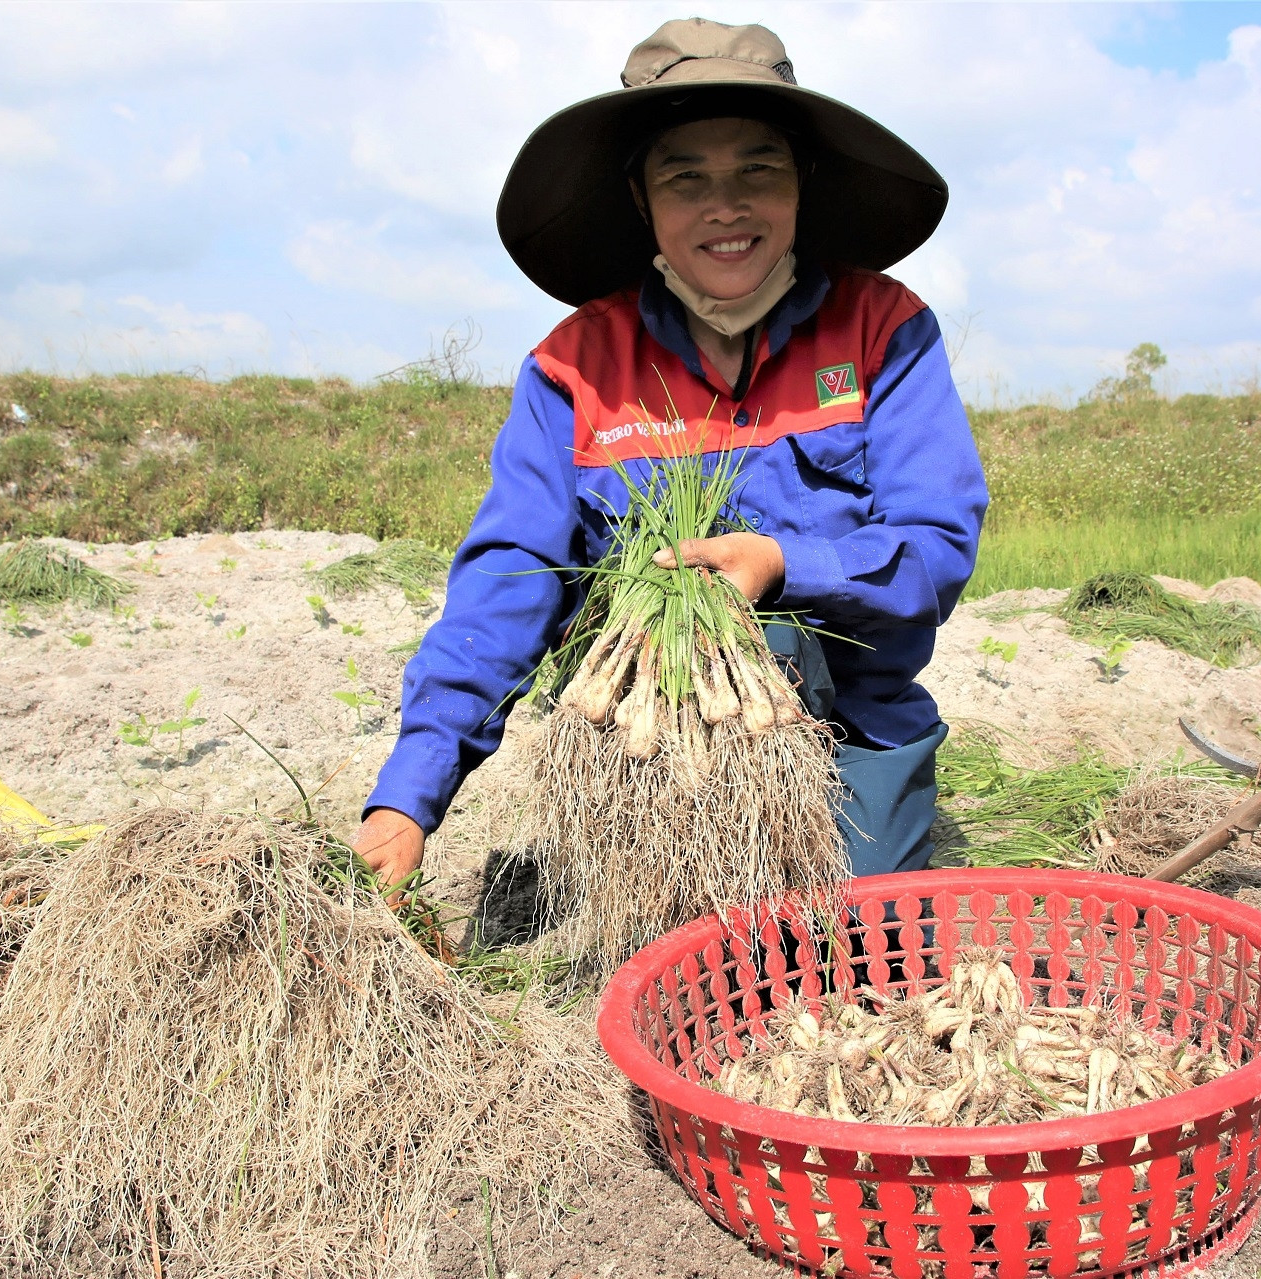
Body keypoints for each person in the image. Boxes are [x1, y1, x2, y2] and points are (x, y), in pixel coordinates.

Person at [353, 17, 987, 887]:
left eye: (756, 170)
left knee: (851, 956)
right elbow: (509, 580)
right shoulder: (575, 366)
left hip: (853, 723)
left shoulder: (884, 331)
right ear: (640, 197)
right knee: (680, 965)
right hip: (642, 733)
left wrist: (779, 563)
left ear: (802, 181)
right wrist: (408, 797)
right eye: (684, 178)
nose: (724, 207)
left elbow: (935, 548)